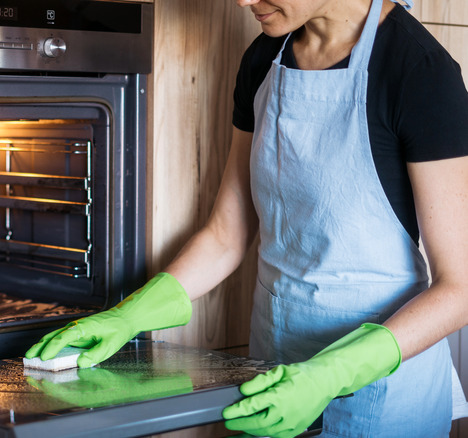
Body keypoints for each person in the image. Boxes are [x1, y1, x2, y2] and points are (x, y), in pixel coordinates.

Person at [25, 0, 468, 435]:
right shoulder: (263, 59)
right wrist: (129, 316)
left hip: (381, 389)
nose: (243, 1)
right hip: (272, 366)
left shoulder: (420, 71)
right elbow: (226, 234)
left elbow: (460, 288)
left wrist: (332, 373)